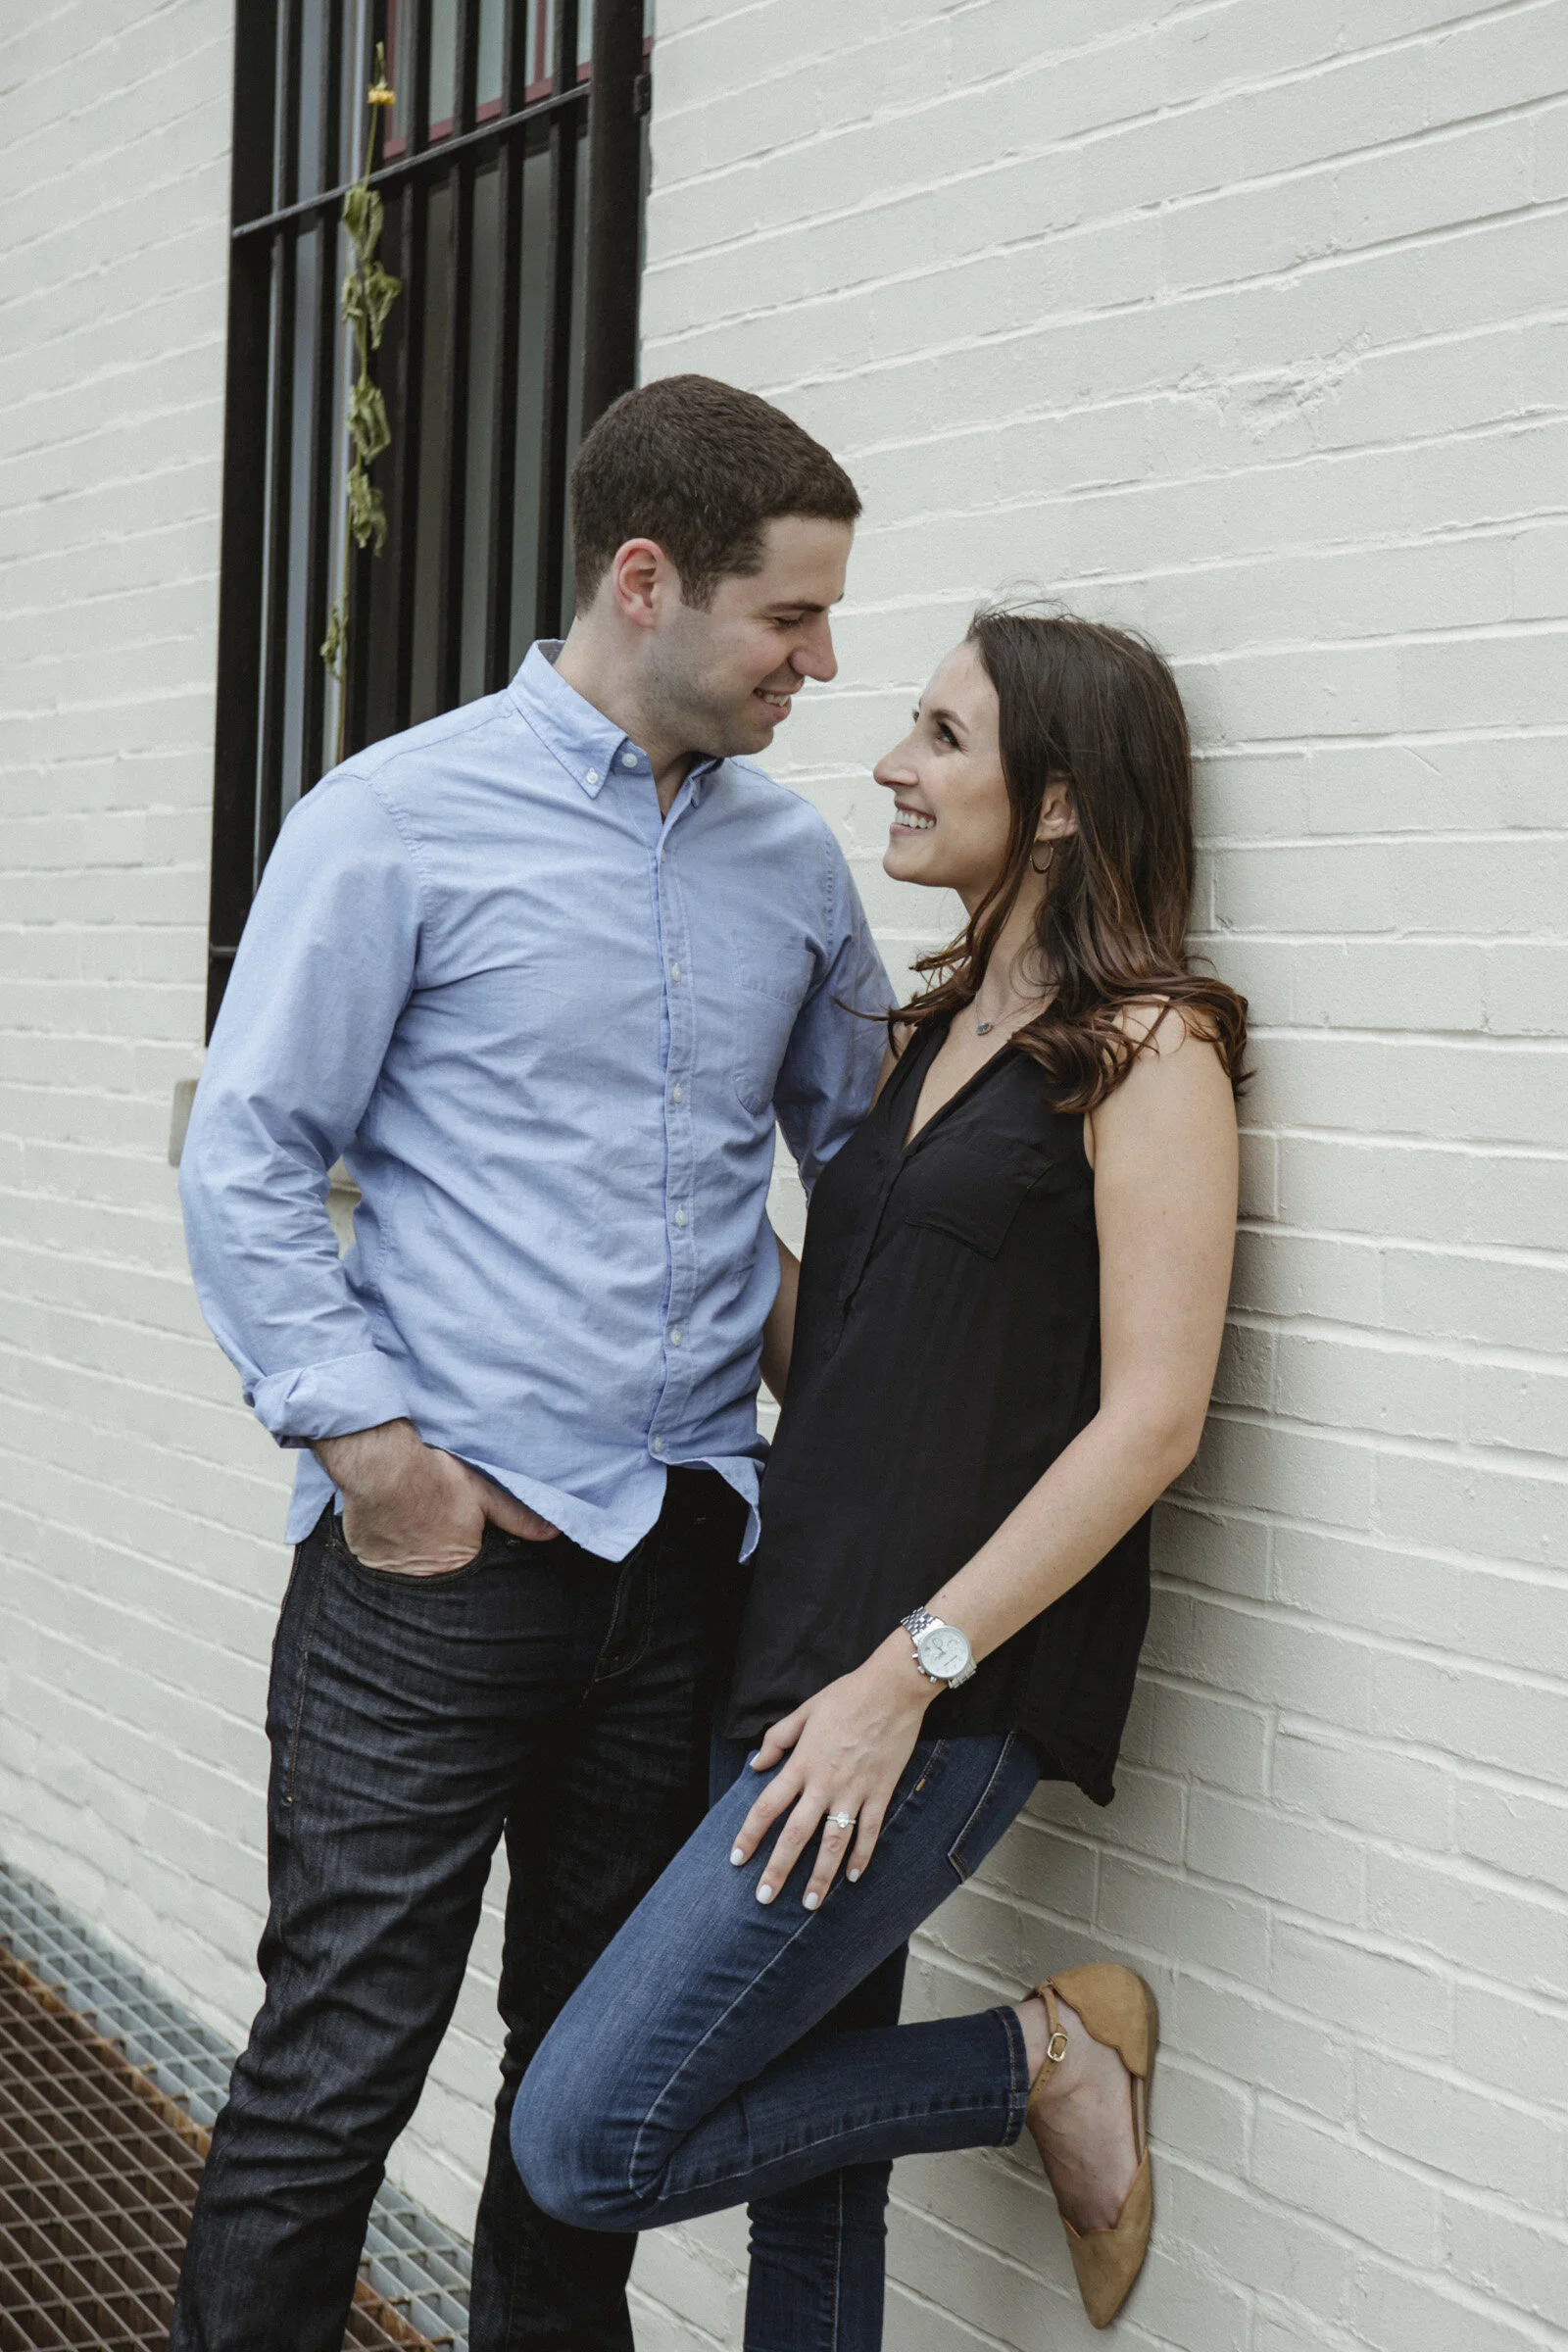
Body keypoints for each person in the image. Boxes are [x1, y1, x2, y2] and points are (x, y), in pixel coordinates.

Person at [171, 374, 892, 2352]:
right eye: (789, 618)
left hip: (687, 1567)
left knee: (581, 2111)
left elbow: (872, 1177)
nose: (821, 666)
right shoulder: (394, 820)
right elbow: (247, 1158)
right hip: (439, 1571)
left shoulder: (791, 869)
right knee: (334, 2078)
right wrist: (375, 1460)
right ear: (644, 582)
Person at [512, 609, 1249, 2342]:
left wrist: (905, 1679)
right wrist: (661, 1195)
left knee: (586, 2136)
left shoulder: (1154, 1051)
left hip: (933, 1694)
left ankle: (1039, 2059)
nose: (892, 767)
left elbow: (1153, 1423)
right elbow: (849, 1364)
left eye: (941, 736)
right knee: (811, 2202)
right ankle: (1033, 2065)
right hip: (788, 1642)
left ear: (1056, 805)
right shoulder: (931, 1036)